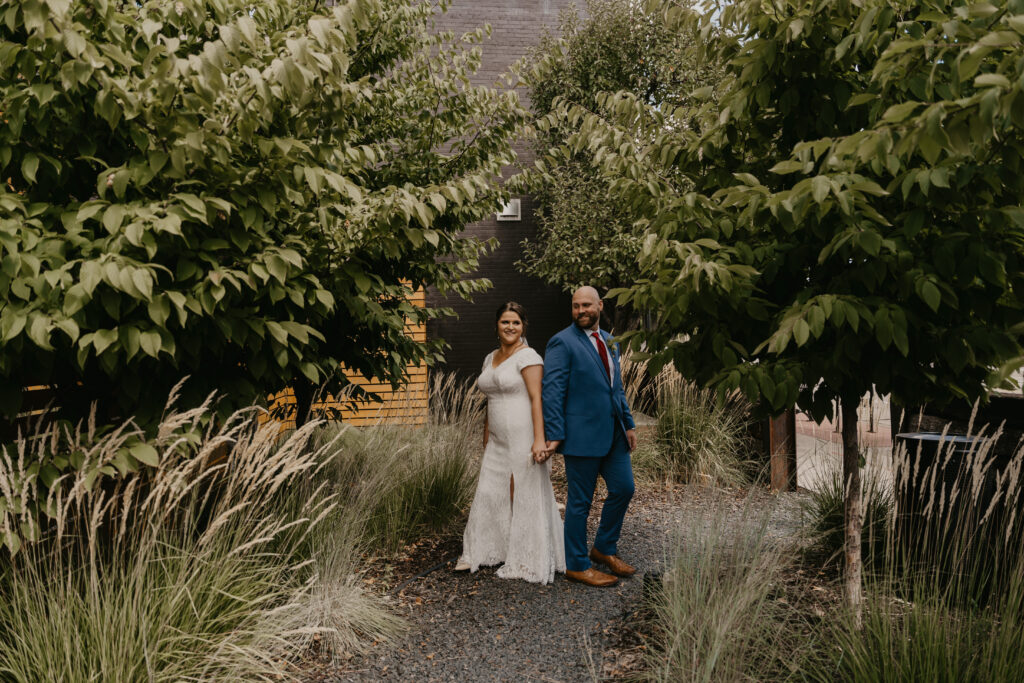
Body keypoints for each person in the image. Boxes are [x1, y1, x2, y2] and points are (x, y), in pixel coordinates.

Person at [455, 302, 566, 584]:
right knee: (490, 490)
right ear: (497, 325)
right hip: (497, 438)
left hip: (523, 434)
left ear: (523, 326)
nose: (510, 327)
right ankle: (481, 550)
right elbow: (490, 399)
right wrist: (486, 433)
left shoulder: (528, 356)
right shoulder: (489, 357)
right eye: (505, 322)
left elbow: (536, 399)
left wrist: (539, 439)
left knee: (522, 492)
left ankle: (528, 555)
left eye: (516, 322)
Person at [542, 286, 638, 587]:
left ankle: (604, 548)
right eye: (575, 306)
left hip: (614, 433)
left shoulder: (610, 341)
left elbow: (616, 388)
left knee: (624, 488)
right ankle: (576, 565)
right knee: (580, 502)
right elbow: (552, 392)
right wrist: (555, 433)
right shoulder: (562, 342)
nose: (580, 311)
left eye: (586, 305)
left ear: (600, 305)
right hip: (581, 436)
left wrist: (629, 423)